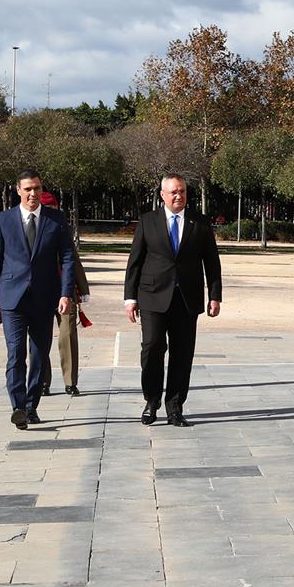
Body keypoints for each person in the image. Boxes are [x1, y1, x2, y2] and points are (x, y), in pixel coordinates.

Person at [124, 174, 222, 427]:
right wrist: (129, 298)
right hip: (152, 297)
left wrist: (215, 295)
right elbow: (134, 263)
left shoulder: (199, 222)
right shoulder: (148, 222)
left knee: (182, 354)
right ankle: (152, 401)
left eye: (183, 192)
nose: (179, 196)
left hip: (186, 299)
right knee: (152, 348)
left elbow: (211, 261)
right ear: (162, 195)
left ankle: (175, 407)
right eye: (174, 192)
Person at [0, 170, 77, 430]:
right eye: (27, 189)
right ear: (18, 190)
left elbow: (68, 258)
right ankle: (17, 406)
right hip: (11, 299)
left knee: (38, 355)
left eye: (37, 188)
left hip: (44, 298)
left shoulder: (56, 220)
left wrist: (64, 293)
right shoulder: (3, 220)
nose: (33, 193)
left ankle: (31, 405)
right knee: (15, 354)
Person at [37, 191, 90, 397]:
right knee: (40, 338)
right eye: (47, 208)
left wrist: (83, 289)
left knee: (67, 334)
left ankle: (70, 381)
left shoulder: (62, 229)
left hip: (65, 291)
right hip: (40, 291)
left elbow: (73, 260)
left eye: (53, 208)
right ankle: (42, 381)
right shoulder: (33, 232)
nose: (50, 212)